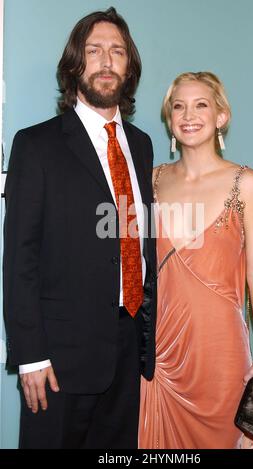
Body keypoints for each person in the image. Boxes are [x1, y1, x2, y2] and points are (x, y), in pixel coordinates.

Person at [3, 7, 156, 449]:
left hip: (128, 353)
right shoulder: (36, 145)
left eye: (118, 52)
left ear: (129, 69)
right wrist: (30, 355)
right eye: (94, 51)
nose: (107, 62)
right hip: (58, 362)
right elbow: (20, 260)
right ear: (75, 64)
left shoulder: (142, 146)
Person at [138, 72, 253, 449]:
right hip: (160, 358)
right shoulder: (150, 182)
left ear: (221, 116)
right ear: (169, 119)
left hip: (220, 356)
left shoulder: (245, 183)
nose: (189, 114)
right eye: (178, 106)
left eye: (201, 104)